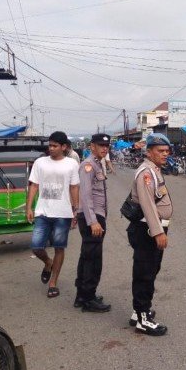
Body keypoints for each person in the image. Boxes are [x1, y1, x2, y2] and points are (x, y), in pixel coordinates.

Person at [127, 133, 174, 336]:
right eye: (160, 151)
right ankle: (143, 318)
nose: (165, 154)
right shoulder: (146, 172)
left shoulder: (154, 170)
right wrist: (157, 233)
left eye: (166, 151)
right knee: (145, 273)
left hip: (151, 229)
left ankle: (139, 312)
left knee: (150, 271)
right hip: (147, 230)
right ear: (149, 152)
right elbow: (147, 205)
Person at [26, 131, 80, 298]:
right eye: (49, 145)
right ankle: (48, 263)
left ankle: (53, 283)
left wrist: (75, 209)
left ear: (64, 147)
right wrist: (29, 207)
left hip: (63, 213)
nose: (51, 148)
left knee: (59, 247)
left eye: (55, 146)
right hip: (42, 211)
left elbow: (74, 187)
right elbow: (34, 185)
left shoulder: (71, 164)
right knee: (36, 246)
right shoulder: (40, 162)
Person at [74, 133, 112, 313]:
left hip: (95, 216)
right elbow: (86, 195)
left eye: (106, 146)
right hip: (93, 217)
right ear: (92, 147)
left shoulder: (98, 163)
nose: (104, 148)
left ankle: (82, 295)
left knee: (87, 255)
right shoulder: (88, 165)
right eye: (100, 145)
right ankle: (88, 299)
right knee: (93, 259)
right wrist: (93, 222)